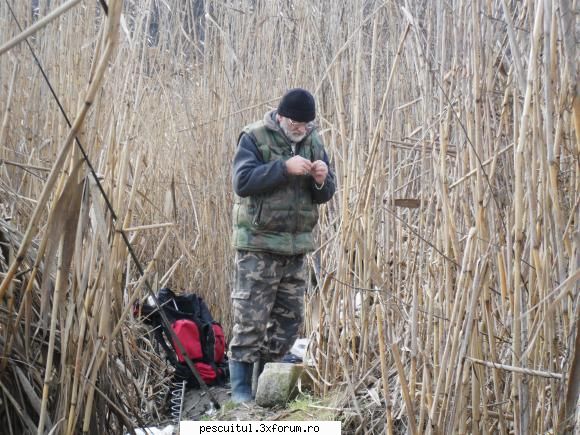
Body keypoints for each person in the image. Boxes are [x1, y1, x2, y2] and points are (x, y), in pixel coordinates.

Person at [228, 88, 336, 403]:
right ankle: (240, 393)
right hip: (258, 246)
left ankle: (266, 386)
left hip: (296, 248)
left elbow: (326, 192)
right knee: (250, 320)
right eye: (297, 122)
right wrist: (284, 168)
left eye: (307, 124)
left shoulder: (314, 142)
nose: (302, 128)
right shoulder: (254, 137)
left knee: (289, 323)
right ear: (281, 116)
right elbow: (242, 181)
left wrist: (321, 178)